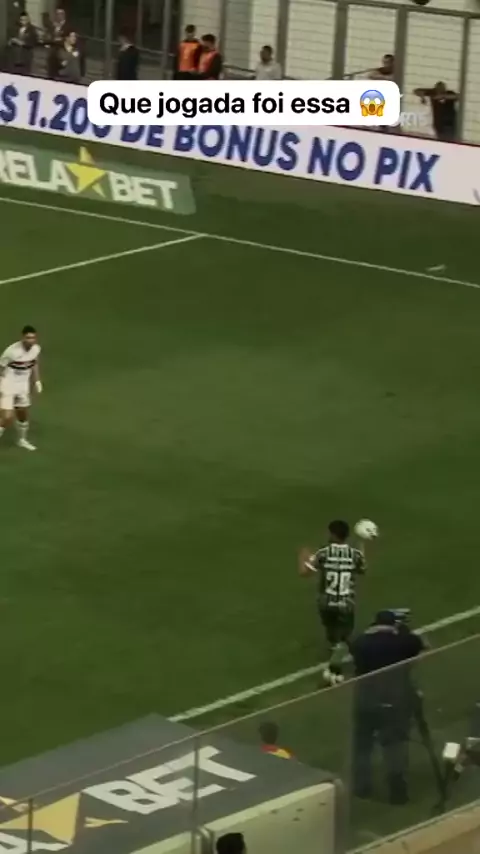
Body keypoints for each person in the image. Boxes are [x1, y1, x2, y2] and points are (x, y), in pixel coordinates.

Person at [349, 610, 426, 804]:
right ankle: (398, 793)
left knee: (363, 747)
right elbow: (422, 643)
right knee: (394, 747)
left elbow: (354, 646)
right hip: (393, 702)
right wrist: (404, 629)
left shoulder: (360, 643)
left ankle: (362, 788)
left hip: (365, 701)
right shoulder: (402, 642)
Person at [299, 520, 366, 685]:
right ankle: (334, 667)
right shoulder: (355, 554)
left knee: (332, 633)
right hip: (345, 603)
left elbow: (305, 572)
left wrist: (303, 556)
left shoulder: (323, 553)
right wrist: (362, 548)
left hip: (325, 603)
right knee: (344, 638)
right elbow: (362, 570)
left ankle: (335, 659)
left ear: (333, 535)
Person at [0, 326, 42, 452]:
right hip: (8, 384)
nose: (31, 340)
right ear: (22, 338)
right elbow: (1, 367)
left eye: (33, 338)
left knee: (22, 414)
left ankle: (22, 440)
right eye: (28, 338)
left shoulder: (36, 349)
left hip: (23, 386)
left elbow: (34, 364)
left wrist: (37, 381)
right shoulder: (11, 352)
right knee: (7, 417)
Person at [44, 7, 68, 79]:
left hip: (62, 55)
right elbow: (47, 37)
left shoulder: (67, 26)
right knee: (50, 75)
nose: (58, 16)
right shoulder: (52, 26)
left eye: (60, 14)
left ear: (64, 15)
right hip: (52, 55)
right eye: (57, 14)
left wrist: (60, 40)